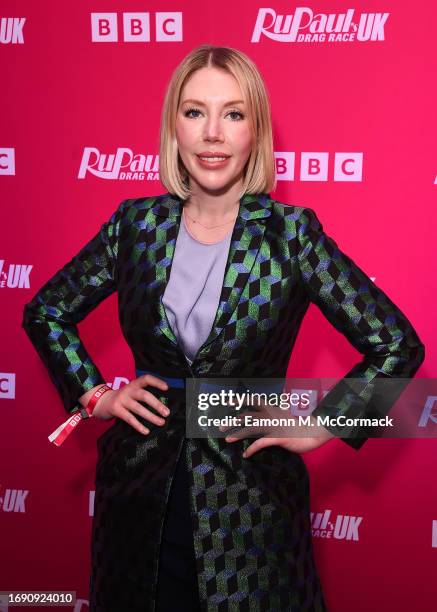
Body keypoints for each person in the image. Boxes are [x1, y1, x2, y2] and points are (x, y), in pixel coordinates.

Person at [22, 44, 425, 612]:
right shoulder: (134, 226)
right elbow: (46, 311)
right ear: (175, 127)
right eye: (194, 112)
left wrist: (325, 423)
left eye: (233, 114)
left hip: (252, 504)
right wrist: (95, 395)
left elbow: (396, 344)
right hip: (137, 495)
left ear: (255, 132)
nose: (213, 132)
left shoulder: (292, 234)